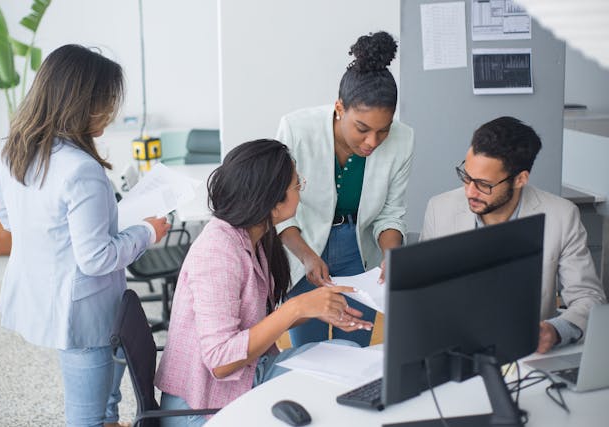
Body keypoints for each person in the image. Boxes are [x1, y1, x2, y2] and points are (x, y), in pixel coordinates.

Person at [0, 44, 170, 427]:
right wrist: (147, 231)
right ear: (81, 102)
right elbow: (97, 259)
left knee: (106, 389)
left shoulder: (14, 151)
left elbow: (9, 219)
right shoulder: (80, 170)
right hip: (83, 308)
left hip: (46, 293)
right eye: (105, 102)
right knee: (85, 414)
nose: (110, 111)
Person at [154, 139, 370, 426]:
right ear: (272, 202)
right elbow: (220, 362)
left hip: (243, 378)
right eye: (296, 185)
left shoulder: (253, 236)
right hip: (201, 407)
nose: (300, 191)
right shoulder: (218, 251)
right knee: (331, 392)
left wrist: (314, 309)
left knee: (348, 354)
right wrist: (296, 308)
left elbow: (256, 325)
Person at [420, 116, 607, 354]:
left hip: (527, 355)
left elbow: (589, 299)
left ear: (520, 179)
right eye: (466, 176)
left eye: (484, 184)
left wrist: (555, 331)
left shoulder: (561, 215)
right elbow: (424, 294)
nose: (469, 191)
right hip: (454, 351)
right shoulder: (440, 209)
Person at [275, 31, 414, 347]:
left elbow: (392, 213)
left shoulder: (404, 140)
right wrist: (308, 256)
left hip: (358, 252)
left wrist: (392, 255)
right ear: (340, 107)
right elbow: (277, 208)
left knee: (353, 346)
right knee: (307, 351)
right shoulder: (297, 129)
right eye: (362, 129)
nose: (372, 142)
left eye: (383, 131)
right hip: (303, 245)